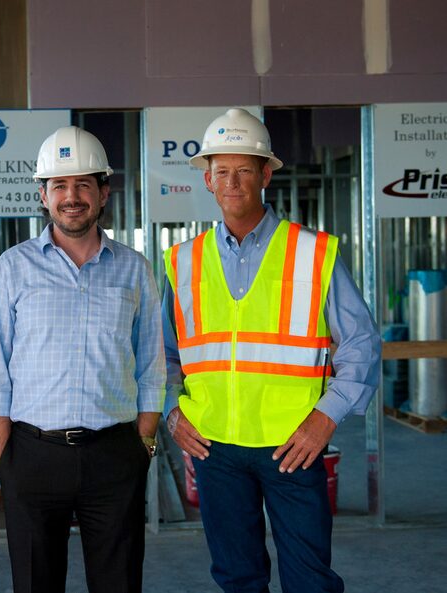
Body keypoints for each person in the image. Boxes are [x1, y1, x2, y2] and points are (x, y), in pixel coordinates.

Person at [163, 108, 382, 593]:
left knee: (309, 580)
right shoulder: (182, 262)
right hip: (214, 446)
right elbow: (163, 355)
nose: (232, 182)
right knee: (237, 578)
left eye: (244, 170)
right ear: (207, 180)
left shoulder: (312, 252)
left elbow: (362, 345)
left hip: (293, 447)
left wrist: (325, 418)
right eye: (221, 171)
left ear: (265, 174)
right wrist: (171, 412)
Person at [0, 125, 166, 593]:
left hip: (114, 453)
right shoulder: (12, 267)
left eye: (84, 184)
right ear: (43, 195)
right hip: (32, 453)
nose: (72, 196)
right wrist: (6, 456)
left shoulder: (134, 268)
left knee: (118, 582)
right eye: (60, 185)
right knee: (35, 583)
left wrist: (143, 439)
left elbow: (151, 360)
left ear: (104, 193)